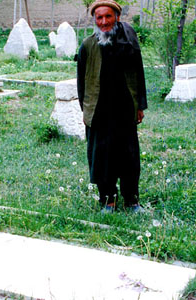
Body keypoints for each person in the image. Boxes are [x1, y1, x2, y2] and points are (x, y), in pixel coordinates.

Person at [77, 0, 147, 213]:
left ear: (117, 17)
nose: (104, 21)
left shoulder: (128, 41)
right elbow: (82, 82)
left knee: (129, 157)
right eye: (100, 17)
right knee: (102, 158)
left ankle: (132, 200)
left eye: (108, 16)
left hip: (125, 109)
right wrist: (85, 110)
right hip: (99, 110)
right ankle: (108, 200)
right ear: (95, 20)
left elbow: (138, 73)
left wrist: (140, 105)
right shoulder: (88, 45)